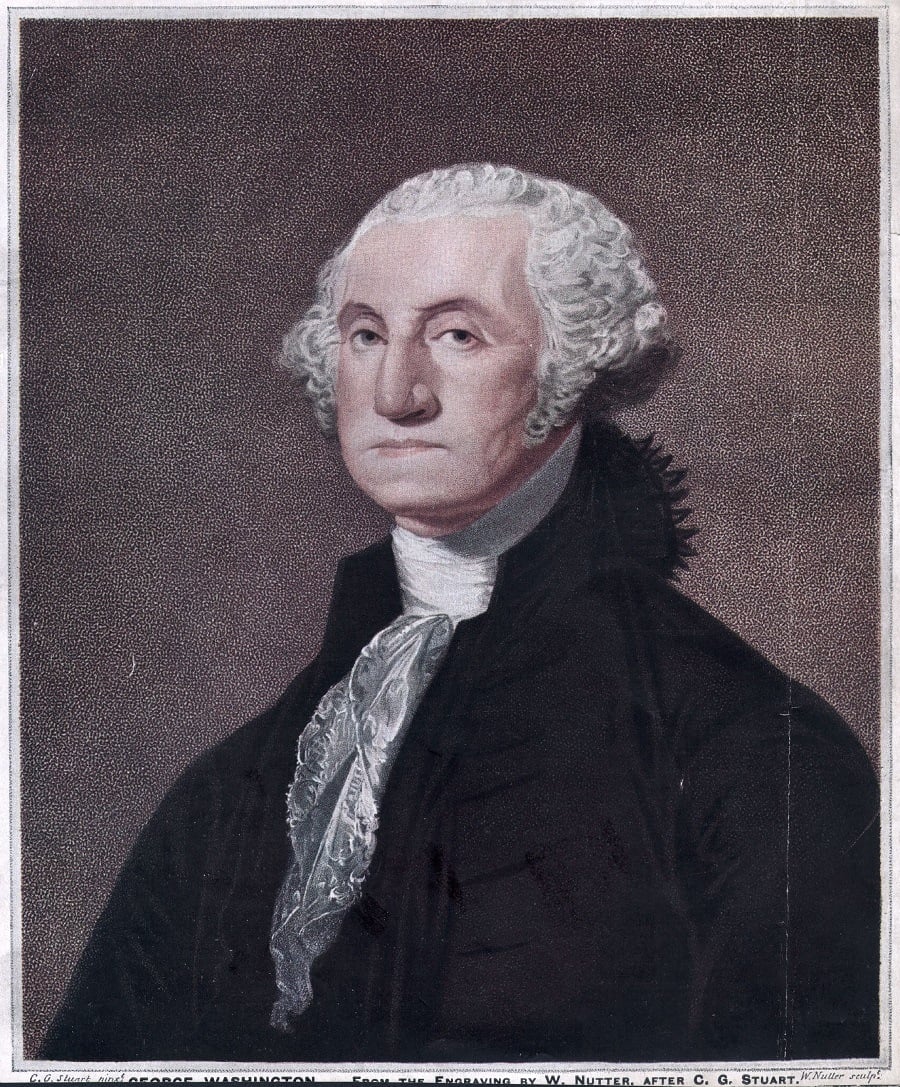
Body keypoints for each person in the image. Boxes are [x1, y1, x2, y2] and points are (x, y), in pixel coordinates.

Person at [41, 163, 879, 1063]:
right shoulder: (238, 785)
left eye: (457, 335)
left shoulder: (746, 745)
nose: (397, 393)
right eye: (366, 335)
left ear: (573, 363)